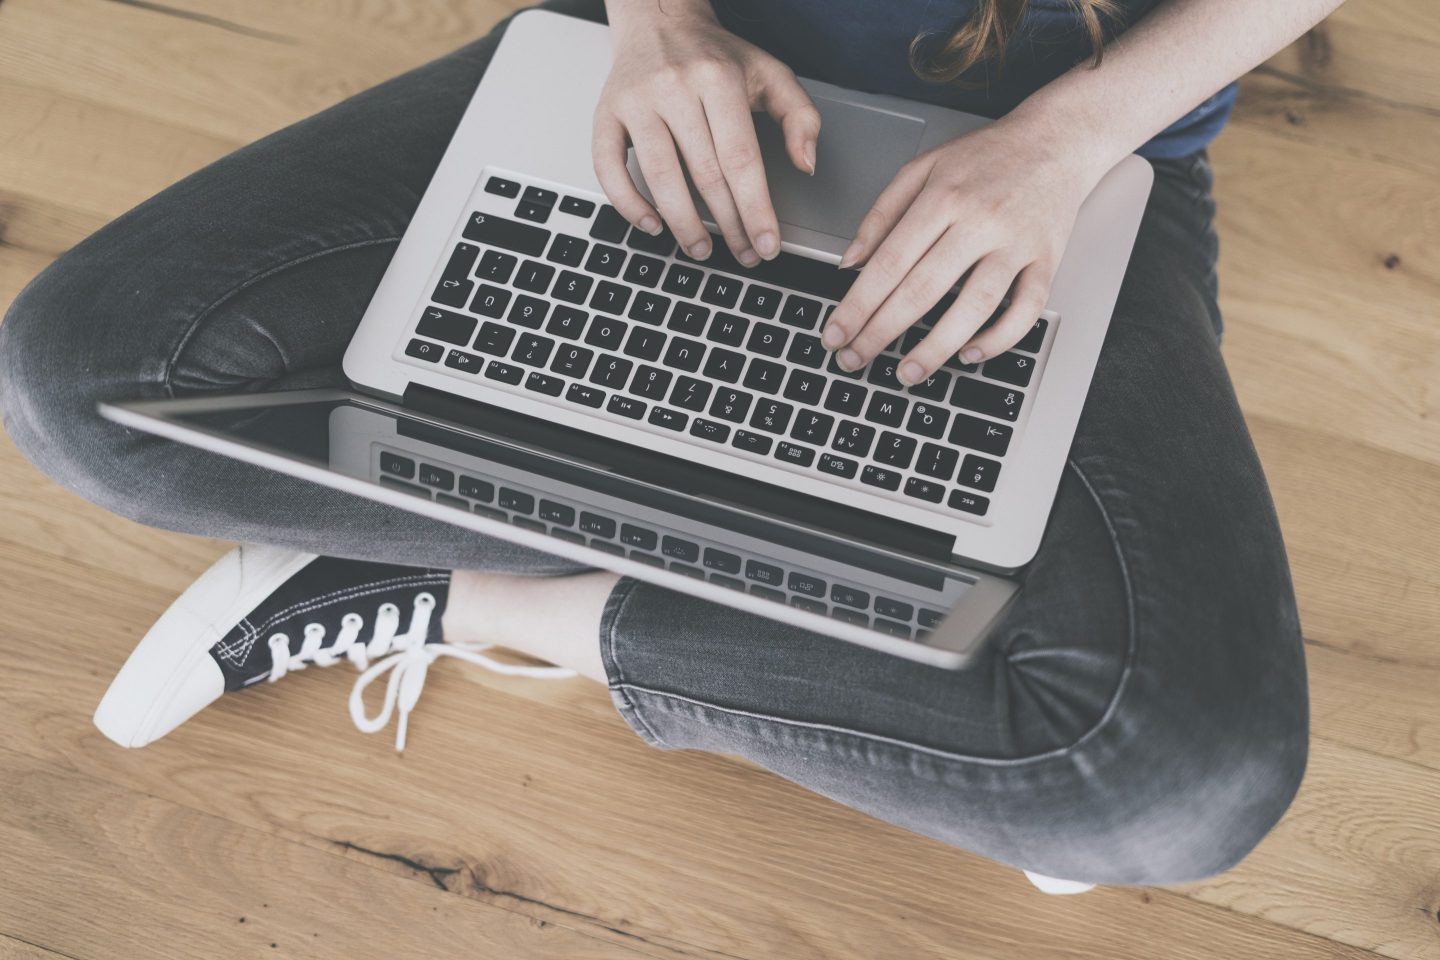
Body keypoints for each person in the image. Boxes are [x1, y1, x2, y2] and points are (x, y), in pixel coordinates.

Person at [0, 0, 1337, 888]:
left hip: (1069, 161)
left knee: (1175, 790)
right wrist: (653, 21)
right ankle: (891, 671)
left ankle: (483, 598)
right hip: (665, 67)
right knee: (83, 382)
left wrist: (1068, 141)